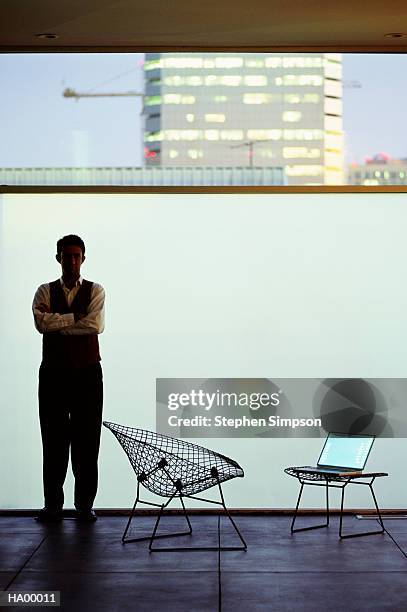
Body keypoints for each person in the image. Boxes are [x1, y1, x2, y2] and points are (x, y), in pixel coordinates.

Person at [32, 234, 105, 522]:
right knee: (52, 439)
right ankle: (53, 506)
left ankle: (84, 506)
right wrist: (76, 318)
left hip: (88, 373)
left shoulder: (96, 290)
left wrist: (59, 323)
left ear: (83, 259)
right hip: (53, 373)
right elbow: (41, 323)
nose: (71, 260)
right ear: (58, 258)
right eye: (66, 255)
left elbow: (95, 324)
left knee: (88, 440)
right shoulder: (44, 291)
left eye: (76, 255)